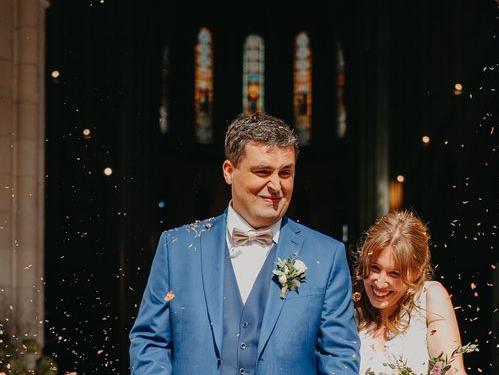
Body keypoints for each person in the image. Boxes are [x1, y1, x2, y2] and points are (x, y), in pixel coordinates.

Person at [129, 113, 360, 374]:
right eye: (262, 171)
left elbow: (338, 355)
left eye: (286, 173)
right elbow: (150, 343)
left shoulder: (327, 255)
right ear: (229, 171)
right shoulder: (177, 248)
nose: (275, 185)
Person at [353, 210, 468, 375]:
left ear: (417, 271)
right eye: (375, 268)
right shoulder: (348, 305)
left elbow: (451, 372)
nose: (380, 282)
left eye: (394, 273)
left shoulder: (430, 298)